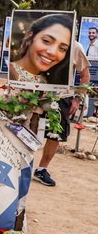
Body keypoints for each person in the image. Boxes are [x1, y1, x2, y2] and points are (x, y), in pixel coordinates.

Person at [32, 40, 89, 187]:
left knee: (54, 135)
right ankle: (21, 166)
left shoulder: (75, 46)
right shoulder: (39, 38)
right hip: (34, 95)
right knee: (26, 129)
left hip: (61, 98)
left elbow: (85, 75)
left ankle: (41, 169)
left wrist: (78, 99)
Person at [9, 14, 73, 85]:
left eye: (62, 48)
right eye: (46, 41)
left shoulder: (51, 80)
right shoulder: (9, 74)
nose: (53, 52)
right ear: (30, 38)